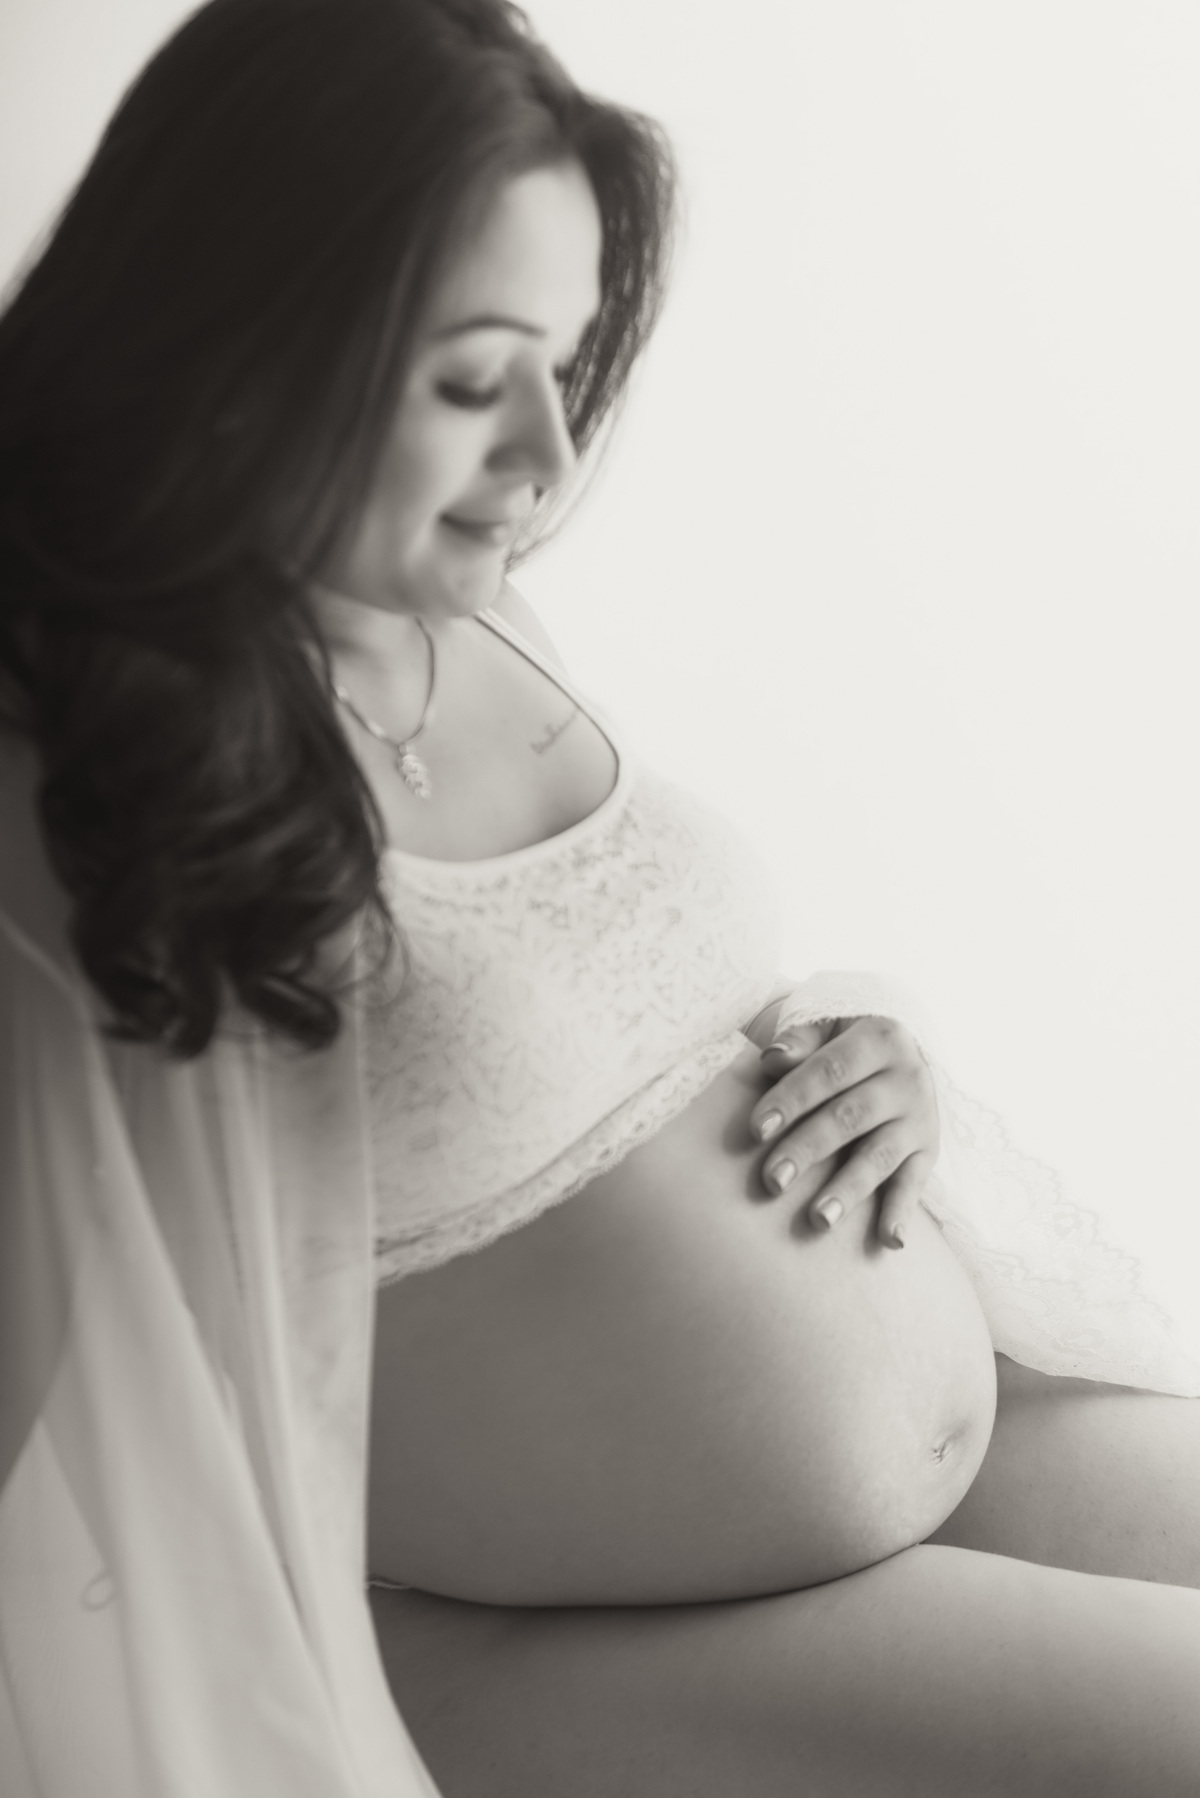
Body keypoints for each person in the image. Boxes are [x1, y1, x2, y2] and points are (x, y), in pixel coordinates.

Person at [1, 1, 1199, 1794]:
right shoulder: (73, 765)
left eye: (564, 366)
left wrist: (863, 1058)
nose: (552, 459)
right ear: (243, 334)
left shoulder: (467, 609)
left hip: (952, 1440)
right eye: (473, 380)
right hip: (534, 1637)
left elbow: (572, 1022)